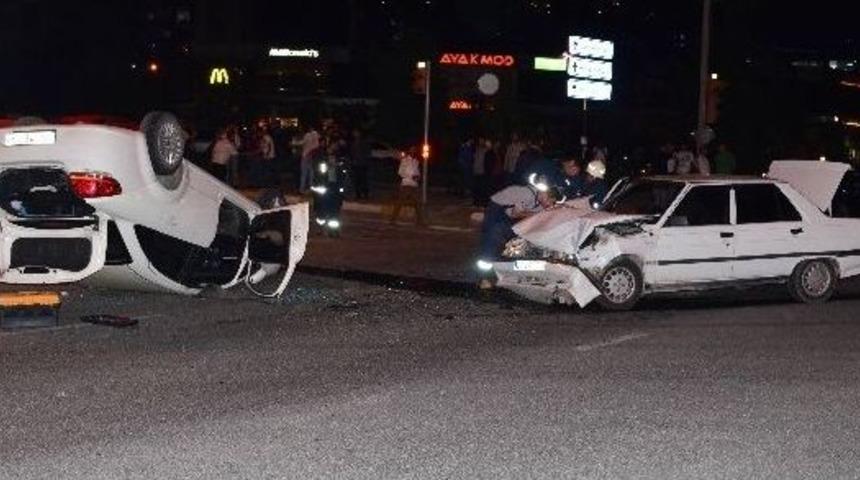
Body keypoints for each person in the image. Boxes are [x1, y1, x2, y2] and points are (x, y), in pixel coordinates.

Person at [476, 179, 555, 288]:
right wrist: (537, 215)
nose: (549, 205)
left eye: (552, 203)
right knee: (491, 241)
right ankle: (484, 278)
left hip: (508, 215)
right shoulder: (526, 194)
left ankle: (505, 272)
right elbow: (515, 214)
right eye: (550, 201)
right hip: (496, 210)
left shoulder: (541, 204)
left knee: (511, 242)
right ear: (544, 194)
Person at [310, 146, 345, 236]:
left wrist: (341, 192)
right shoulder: (322, 168)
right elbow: (318, 180)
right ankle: (322, 229)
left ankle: (333, 231)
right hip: (325, 192)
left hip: (334, 191)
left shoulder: (339, 168)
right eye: (330, 158)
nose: (332, 160)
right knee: (323, 212)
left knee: (334, 213)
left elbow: (342, 180)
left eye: (333, 158)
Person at [390, 146, 424, 225]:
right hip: (406, 184)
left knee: (417, 203)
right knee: (400, 202)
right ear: (409, 151)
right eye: (412, 150)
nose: (413, 151)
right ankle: (393, 219)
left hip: (414, 185)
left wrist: (417, 176)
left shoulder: (416, 161)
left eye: (414, 150)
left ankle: (420, 221)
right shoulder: (404, 160)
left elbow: (417, 172)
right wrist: (411, 176)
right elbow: (400, 172)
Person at [294, 124, 320, 194]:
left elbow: (302, 142)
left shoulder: (308, 135)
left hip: (306, 154)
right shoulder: (316, 134)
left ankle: (302, 189)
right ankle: (310, 187)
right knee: (311, 172)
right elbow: (317, 145)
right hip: (312, 155)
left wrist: (294, 143)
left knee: (304, 172)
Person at [350, 129, 371, 200]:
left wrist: (364, 160)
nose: (355, 134)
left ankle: (365, 195)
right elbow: (352, 153)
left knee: (363, 180)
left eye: (356, 133)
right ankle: (358, 194)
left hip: (362, 164)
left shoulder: (364, 142)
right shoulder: (353, 143)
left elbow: (367, 152)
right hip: (356, 164)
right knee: (357, 180)